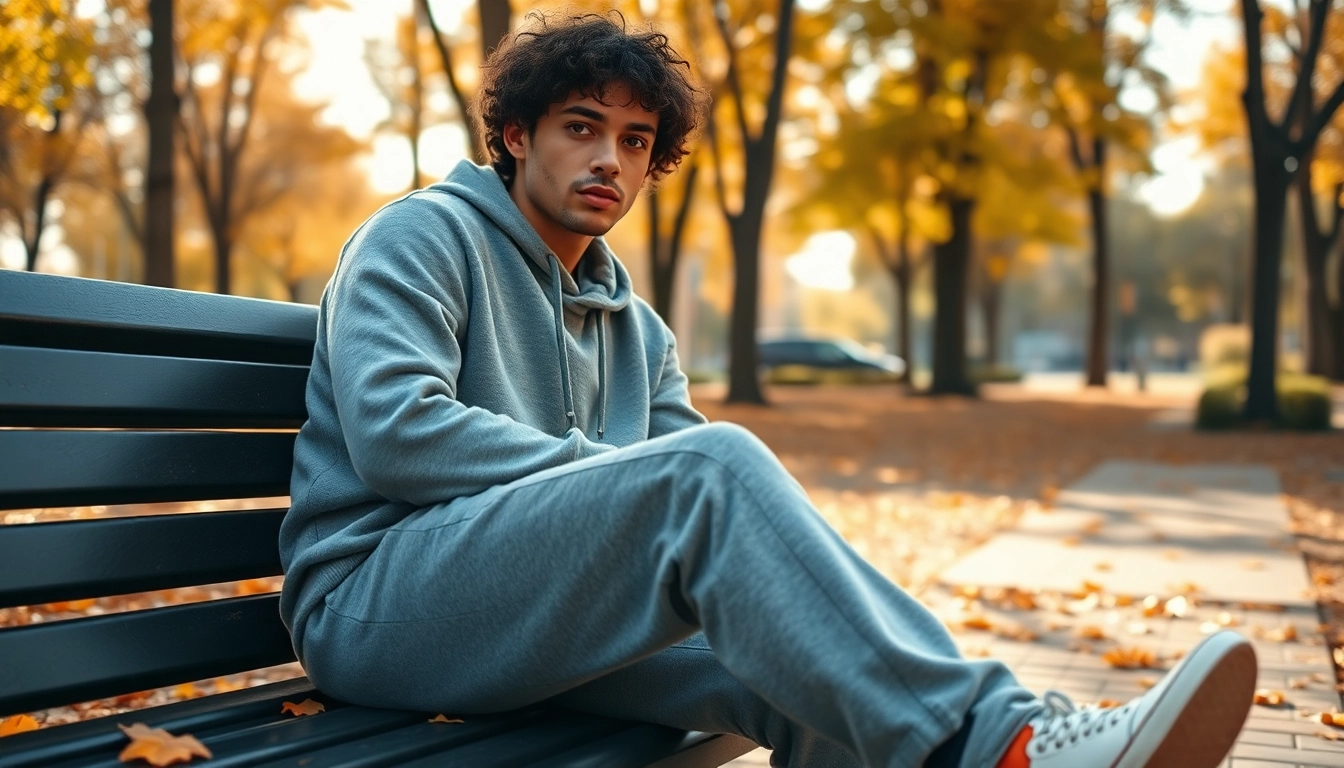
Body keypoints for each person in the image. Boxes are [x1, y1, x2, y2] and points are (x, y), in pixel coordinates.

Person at [277, 11, 1257, 767]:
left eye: (635, 140)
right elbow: (401, 434)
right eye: (582, 127)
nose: (610, 159)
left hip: (525, 623)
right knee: (711, 468)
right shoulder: (421, 238)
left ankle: (1009, 737)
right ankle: (1007, 745)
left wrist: (623, 497)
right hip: (377, 609)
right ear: (517, 134)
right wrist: (602, 482)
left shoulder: (636, 327)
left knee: (801, 663)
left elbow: (680, 514)